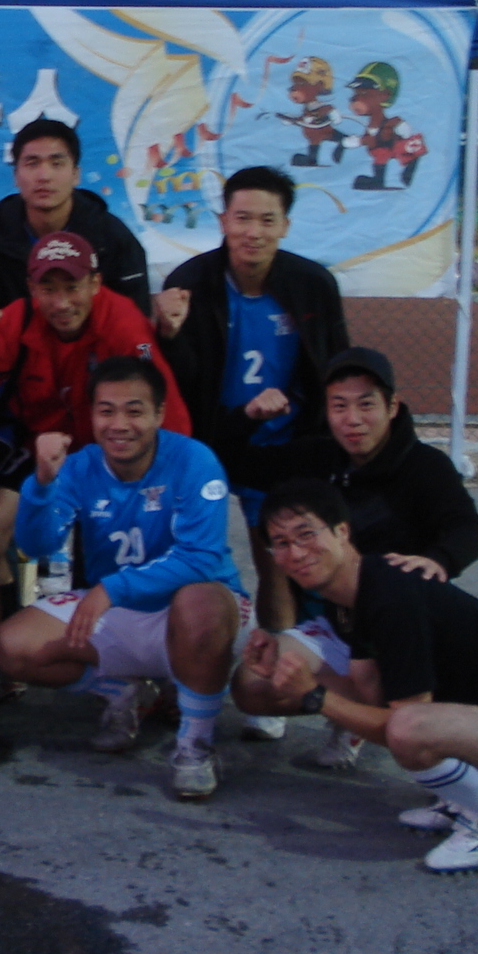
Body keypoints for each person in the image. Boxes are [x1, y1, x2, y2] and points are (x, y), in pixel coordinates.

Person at [242, 481, 478, 873]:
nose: (296, 553)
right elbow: (368, 692)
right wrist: (286, 675)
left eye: (306, 534)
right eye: (281, 543)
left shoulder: (391, 595)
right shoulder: (355, 593)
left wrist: (314, 695)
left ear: (342, 531)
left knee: (409, 727)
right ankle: (462, 801)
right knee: (389, 706)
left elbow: (399, 727)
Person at [0, 356, 248, 800]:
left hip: (198, 613)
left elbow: (202, 557)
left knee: (198, 601)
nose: (119, 425)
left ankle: (194, 745)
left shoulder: (194, 459)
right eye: (106, 411)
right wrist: (42, 484)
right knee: (11, 646)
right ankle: (122, 691)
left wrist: (112, 587)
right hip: (122, 610)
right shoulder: (80, 465)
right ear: (91, 415)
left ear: (159, 414)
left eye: (134, 410)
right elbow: (37, 545)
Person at [153, 164, 349, 741]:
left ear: (285, 225)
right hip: (214, 442)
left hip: (284, 447)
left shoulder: (312, 285)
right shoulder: (191, 281)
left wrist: (310, 424)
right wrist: (168, 334)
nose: (253, 232)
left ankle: (276, 681)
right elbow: (179, 383)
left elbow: (332, 365)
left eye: (267, 220)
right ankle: (171, 675)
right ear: (222, 221)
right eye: (242, 218)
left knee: (280, 564)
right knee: (184, 558)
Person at [229, 347, 478, 769]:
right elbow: (233, 463)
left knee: (417, 723)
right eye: (339, 406)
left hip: (402, 627)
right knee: (253, 684)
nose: (352, 419)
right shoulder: (316, 456)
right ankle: (353, 717)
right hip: (338, 623)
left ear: (392, 406)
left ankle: (452, 751)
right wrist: (249, 418)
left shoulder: (426, 466)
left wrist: (438, 560)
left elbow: (469, 529)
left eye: (366, 405)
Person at [0, 230, 189, 606]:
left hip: (109, 459)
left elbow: (166, 414)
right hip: (40, 450)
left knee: (116, 553)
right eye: (48, 289)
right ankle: (12, 619)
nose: (61, 303)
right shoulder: (18, 317)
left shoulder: (123, 325)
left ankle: (113, 622)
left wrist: (165, 488)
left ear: (95, 284)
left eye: (72, 287)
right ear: (32, 289)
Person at [0, 118, 151, 313]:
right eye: (32, 164)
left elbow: (135, 320)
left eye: (57, 163)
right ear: (16, 176)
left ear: (76, 175)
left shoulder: (111, 238)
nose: (44, 176)